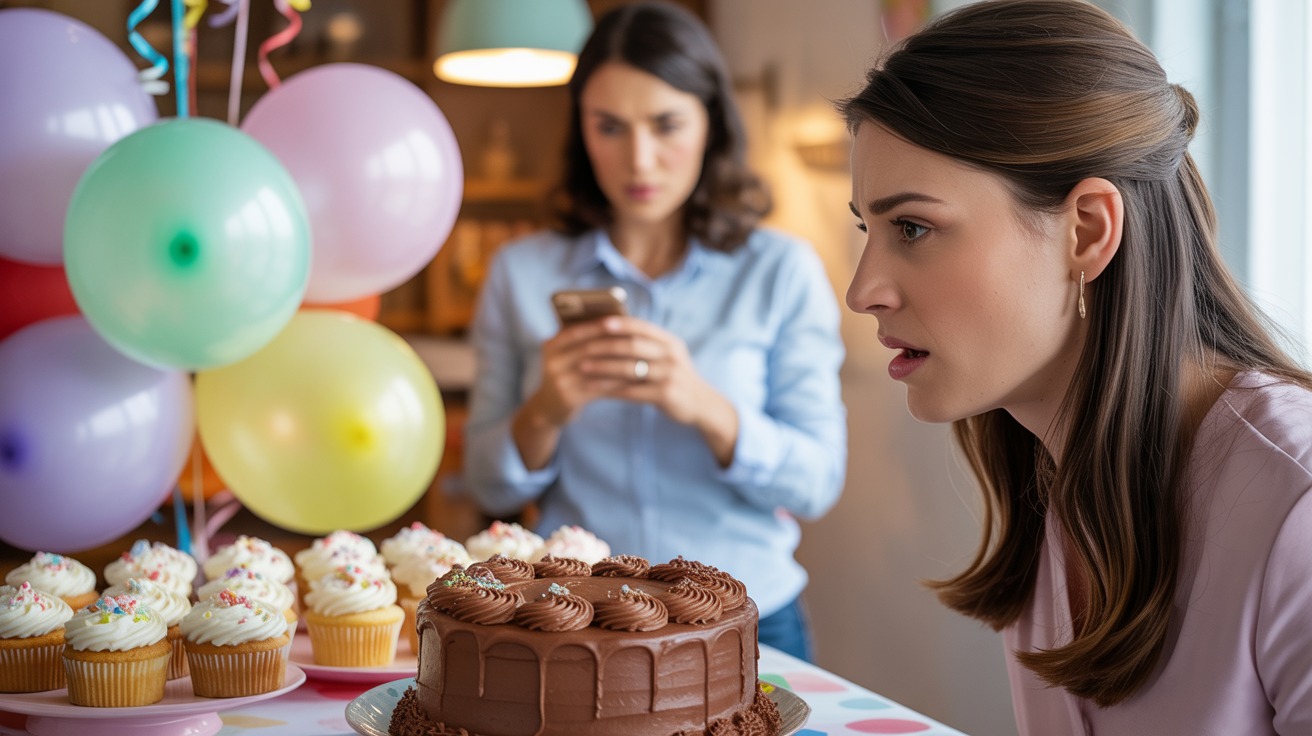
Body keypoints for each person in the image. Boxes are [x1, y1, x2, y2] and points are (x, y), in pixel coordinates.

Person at [840, 0, 1312, 732]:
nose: (863, 290)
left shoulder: (1297, 511)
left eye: (913, 227)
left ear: (1087, 231)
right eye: (868, 228)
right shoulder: (1051, 475)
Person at [462, 1, 847, 661]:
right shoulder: (520, 272)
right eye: (609, 127)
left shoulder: (779, 270)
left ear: (711, 123)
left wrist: (706, 408)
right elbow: (487, 485)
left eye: (666, 124)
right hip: (577, 627)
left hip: (749, 621)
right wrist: (546, 410)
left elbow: (816, 483)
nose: (640, 160)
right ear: (580, 130)